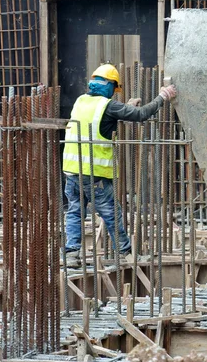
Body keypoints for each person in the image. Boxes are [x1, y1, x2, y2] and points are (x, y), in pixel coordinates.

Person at [62, 64, 176, 267]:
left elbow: (103, 121)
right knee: (111, 213)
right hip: (93, 173)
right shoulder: (109, 106)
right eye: (114, 89)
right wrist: (163, 97)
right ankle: (125, 253)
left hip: (71, 170)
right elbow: (141, 115)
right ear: (110, 85)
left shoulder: (81, 101)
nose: (114, 93)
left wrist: (126, 106)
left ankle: (71, 254)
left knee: (75, 211)